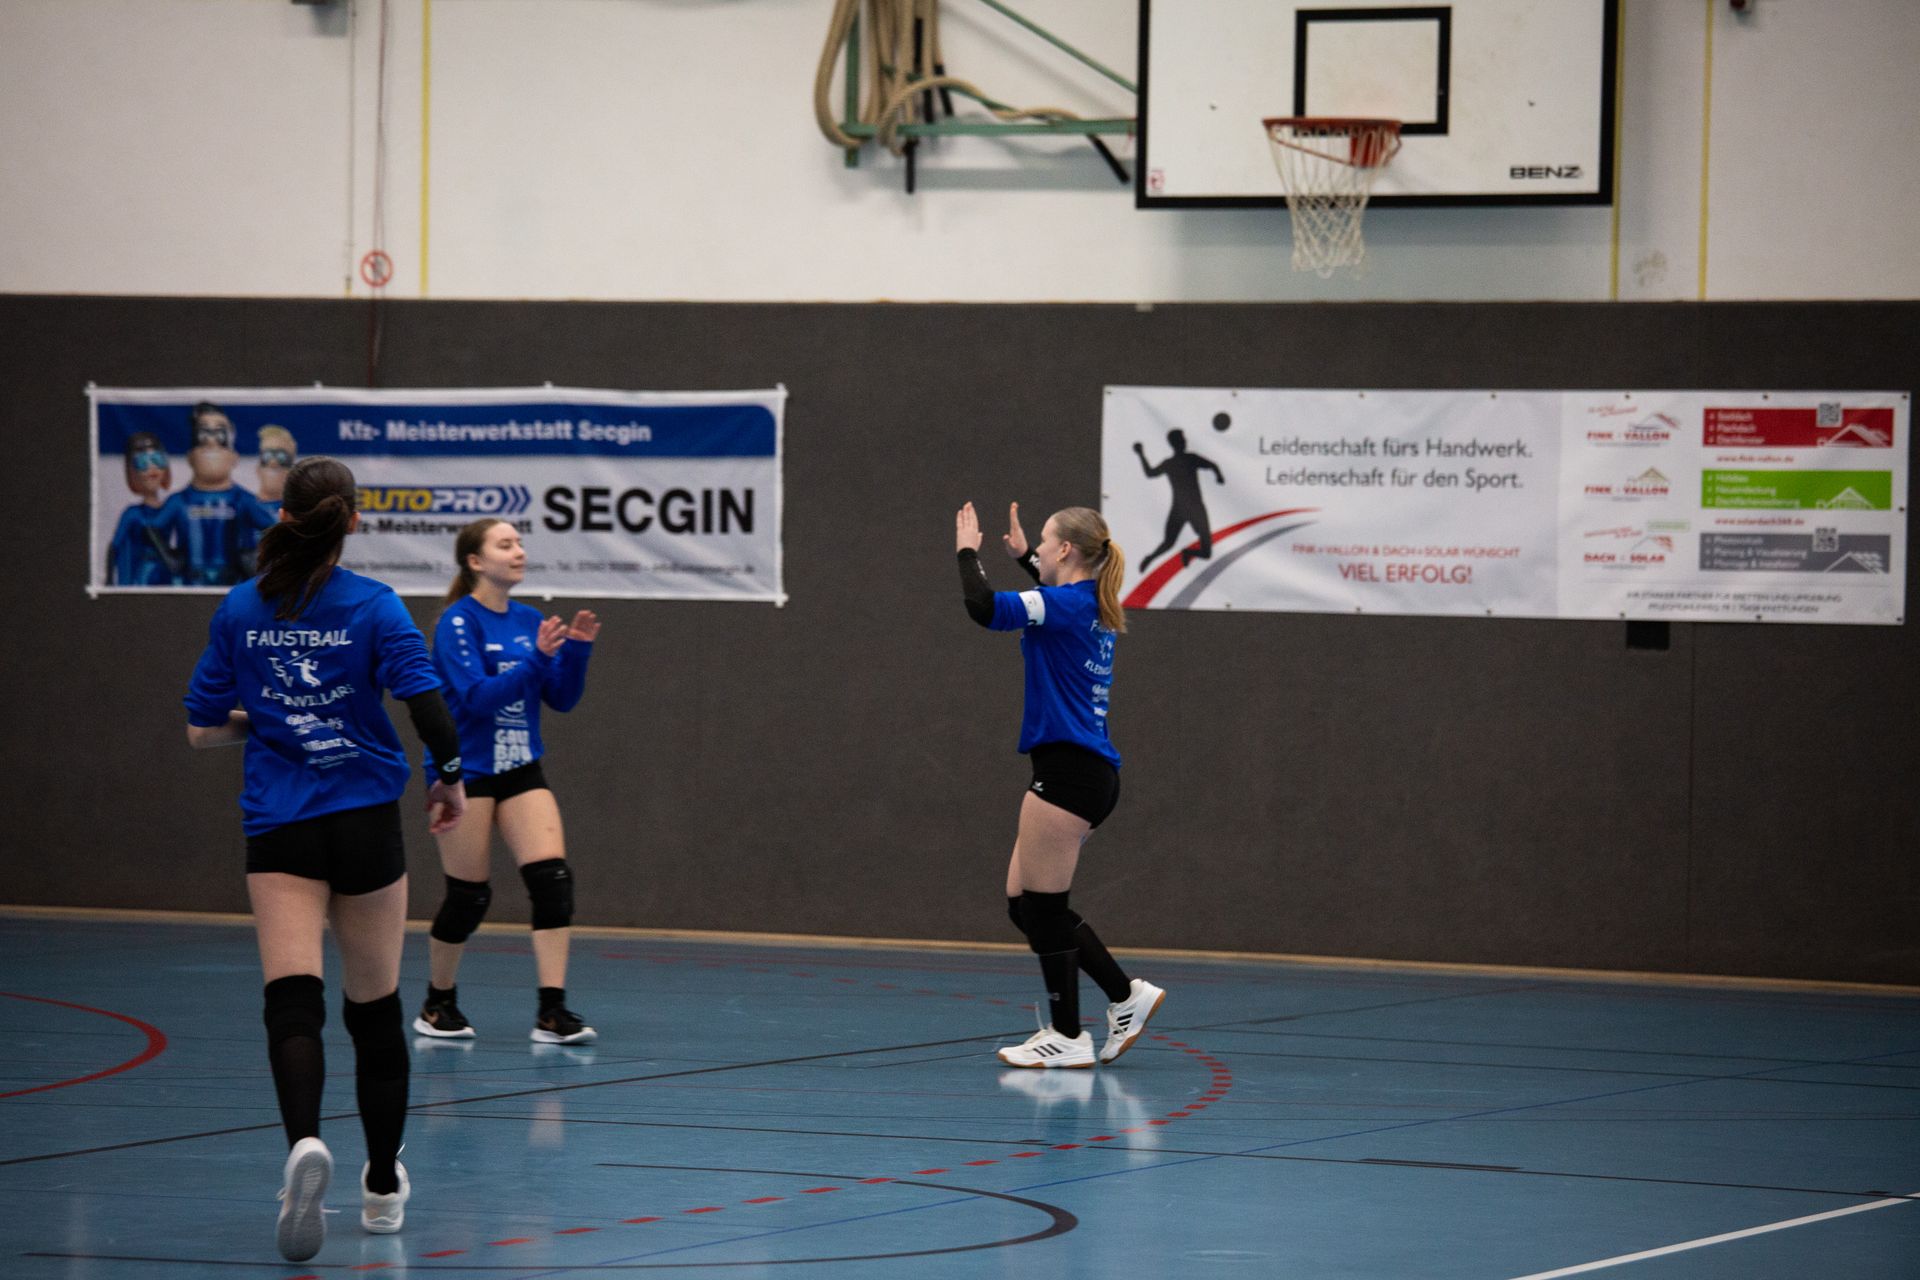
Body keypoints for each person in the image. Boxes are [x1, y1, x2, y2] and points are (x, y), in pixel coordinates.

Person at [183, 457, 468, 1262]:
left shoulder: (242, 607)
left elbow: (202, 727)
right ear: (352, 522)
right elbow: (428, 707)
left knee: (292, 1002)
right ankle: (380, 1184)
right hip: (364, 822)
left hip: (282, 826)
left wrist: (272, 721)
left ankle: (304, 1145)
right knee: (374, 1010)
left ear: (283, 518)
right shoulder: (375, 606)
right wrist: (448, 779)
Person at [955, 500, 1165, 1069]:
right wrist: (1026, 556)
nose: (1041, 549)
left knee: (1044, 910)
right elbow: (1052, 591)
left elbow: (984, 608)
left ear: (1067, 549)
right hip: (1081, 773)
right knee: (1025, 906)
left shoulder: (1067, 605)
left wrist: (968, 552)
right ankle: (1125, 995)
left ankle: (1068, 1035)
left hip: (1069, 775)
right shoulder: (1090, 603)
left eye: (1046, 542)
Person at [413, 518, 600, 1046]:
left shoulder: (528, 619)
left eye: (519, 542)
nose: (519, 551)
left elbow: (560, 698)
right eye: (505, 544)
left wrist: (576, 652)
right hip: (465, 772)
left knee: (552, 881)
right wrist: (538, 658)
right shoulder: (458, 623)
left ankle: (552, 1011)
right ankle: (437, 1002)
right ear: (475, 561)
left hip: (520, 767)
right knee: (469, 897)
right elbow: (476, 698)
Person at [164, 401, 277, 586]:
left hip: (233, 584)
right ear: (190, 456)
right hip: (190, 585)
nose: (211, 441)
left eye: (221, 435)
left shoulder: (242, 500)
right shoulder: (179, 501)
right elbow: (150, 526)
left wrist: (255, 555)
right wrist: (166, 555)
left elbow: (275, 527)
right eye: (202, 434)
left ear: (234, 457)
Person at [1134, 429, 1226, 572]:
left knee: (1206, 552)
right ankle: (1150, 558)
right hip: (1185, 509)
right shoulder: (1177, 462)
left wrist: (1218, 476)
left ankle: (1187, 553)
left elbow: (1213, 465)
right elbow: (1150, 473)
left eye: (1184, 439)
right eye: (1181, 440)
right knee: (1169, 543)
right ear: (1176, 444)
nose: (1184, 442)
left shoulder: (1188, 459)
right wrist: (1141, 455)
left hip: (1190, 508)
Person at [106, 431, 183, 585]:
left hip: (165, 575)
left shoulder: (171, 507)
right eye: (143, 462)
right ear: (133, 471)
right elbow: (115, 547)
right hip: (141, 576)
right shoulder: (133, 513)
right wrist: (109, 580)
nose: (152, 468)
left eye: (157, 460)